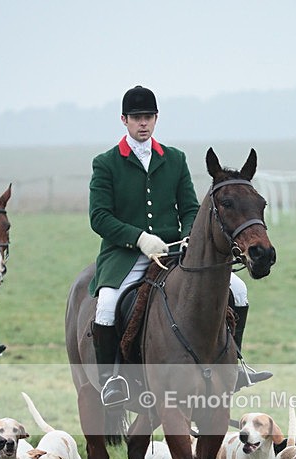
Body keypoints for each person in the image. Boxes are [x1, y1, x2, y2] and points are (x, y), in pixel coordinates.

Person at [89, 85, 271, 406]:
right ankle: (113, 379)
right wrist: (140, 238)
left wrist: (189, 236)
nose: (142, 123)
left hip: (175, 250)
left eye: (148, 117)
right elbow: (99, 217)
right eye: (136, 118)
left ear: (156, 119)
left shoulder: (174, 159)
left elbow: (190, 208)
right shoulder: (106, 163)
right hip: (124, 255)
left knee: (239, 291)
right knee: (106, 306)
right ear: (124, 120)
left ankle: (236, 363)